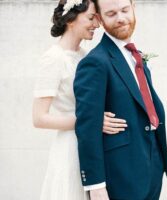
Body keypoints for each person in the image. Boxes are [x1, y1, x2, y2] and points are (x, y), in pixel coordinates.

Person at [73, 0, 167, 199]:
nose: (120, 18)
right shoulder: (95, 62)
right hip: (121, 174)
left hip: (153, 165)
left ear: (133, 8)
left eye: (125, 10)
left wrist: (159, 160)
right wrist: (95, 184)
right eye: (111, 14)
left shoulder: (135, 55)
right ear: (99, 19)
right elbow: (87, 127)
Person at [32, 0, 128, 199]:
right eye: (91, 18)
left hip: (95, 146)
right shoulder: (53, 58)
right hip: (70, 148)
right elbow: (39, 118)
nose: (97, 24)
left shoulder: (87, 57)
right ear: (71, 20)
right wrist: (91, 122)